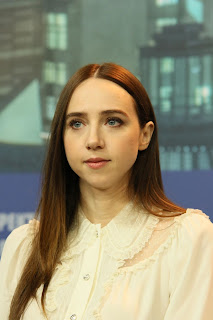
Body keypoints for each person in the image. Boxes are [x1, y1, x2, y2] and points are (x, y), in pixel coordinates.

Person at [0, 62, 213, 320]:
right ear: (61, 136)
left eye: (112, 121)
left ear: (145, 135)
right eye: (77, 123)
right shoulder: (23, 247)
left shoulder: (189, 240)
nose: (93, 141)